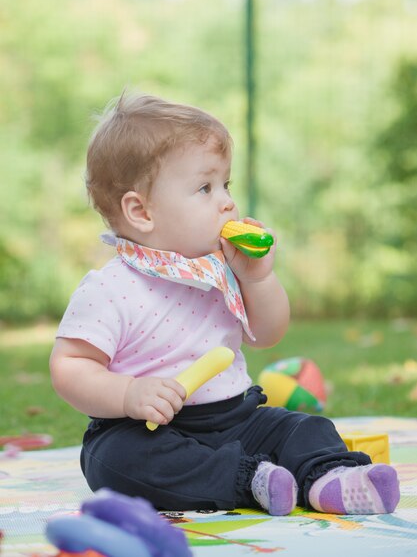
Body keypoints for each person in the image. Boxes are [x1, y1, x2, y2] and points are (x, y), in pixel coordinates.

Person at [50, 92, 400, 516]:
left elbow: (270, 334)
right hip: (146, 428)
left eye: (225, 185)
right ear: (141, 211)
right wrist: (128, 392)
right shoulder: (109, 287)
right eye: (205, 187)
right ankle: (250, 481)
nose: (227, 201)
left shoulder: (219, 270)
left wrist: (259, 277)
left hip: (237, 419)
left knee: (303, 427)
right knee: (114, 462)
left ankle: (332, 478)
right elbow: (69, 366)